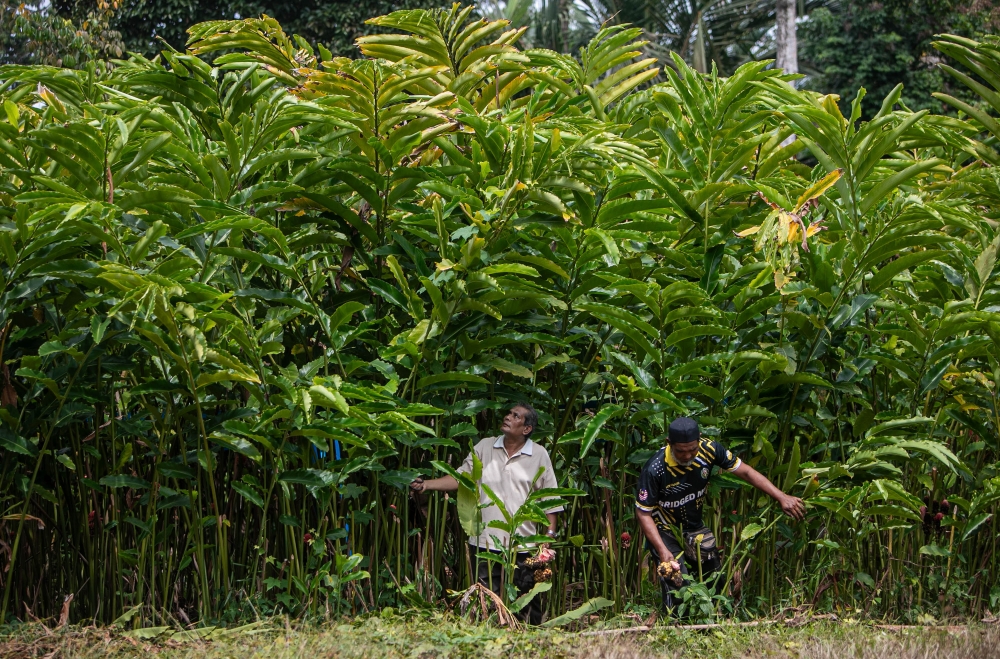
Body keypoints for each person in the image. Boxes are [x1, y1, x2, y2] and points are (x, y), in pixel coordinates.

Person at [410, 403, 562, 623]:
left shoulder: (539, 454)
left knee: (526, 602)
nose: (508, 416)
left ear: (526, 429)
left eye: (515, 415)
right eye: (508, 413)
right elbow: (462, 478)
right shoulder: (485, 447)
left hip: (524, 544)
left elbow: (551, 500)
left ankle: (529, 646)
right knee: (486, 601)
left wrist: (547, 539)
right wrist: (427, 485)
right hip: (485, 542)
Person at [635, 416, 805, 612]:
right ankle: (676, 628)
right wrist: (663, 551)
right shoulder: (654, 469)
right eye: (681, 451)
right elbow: (643, 514)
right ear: (669, 444)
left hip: (693, 523)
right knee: (677, 582)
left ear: (699, 439)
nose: (688, 456)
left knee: (715, 578)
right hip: (664, 527)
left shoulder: (710, 449)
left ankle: (715, 623)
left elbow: (746, 472)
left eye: (693, 449)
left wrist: (781, 496)